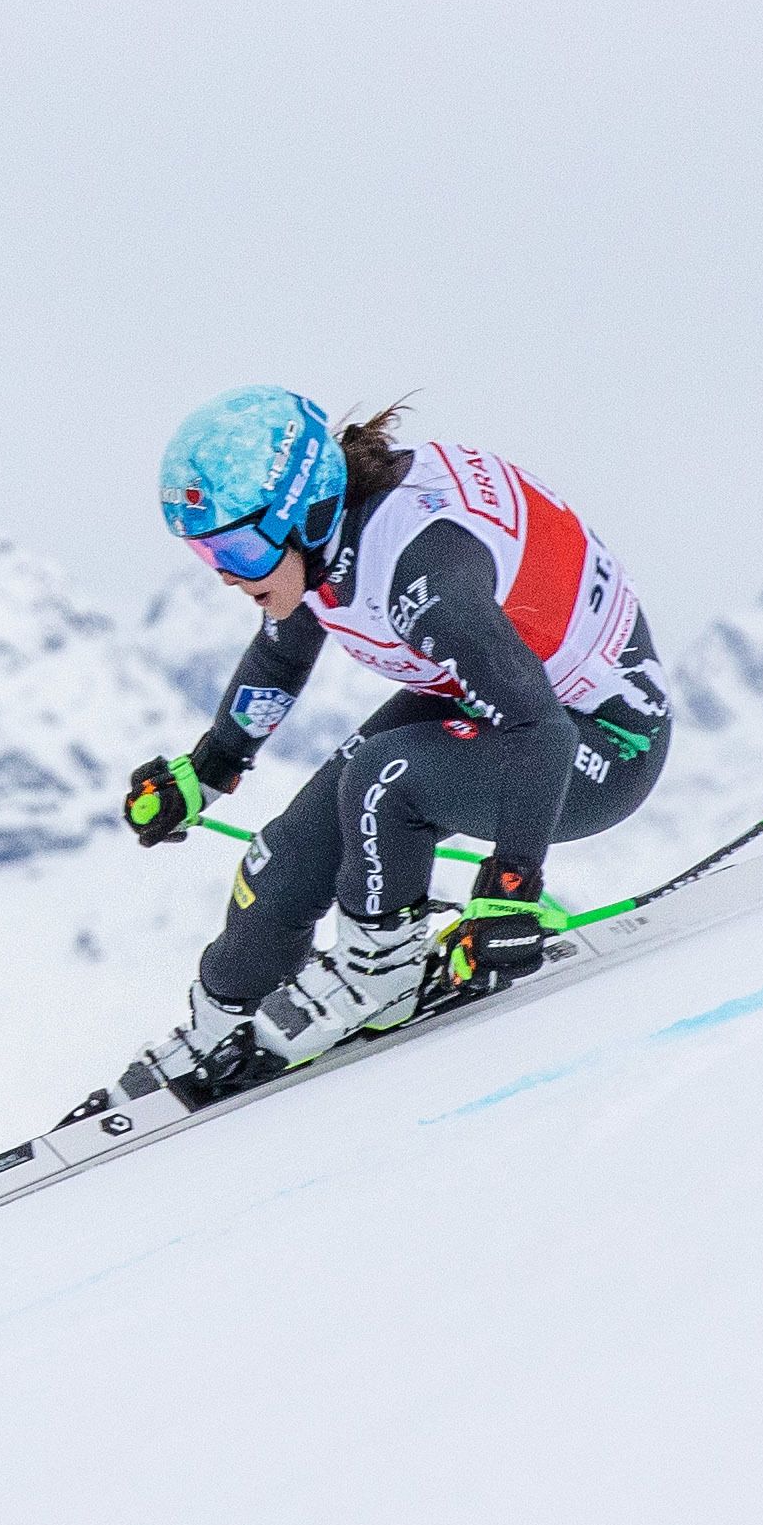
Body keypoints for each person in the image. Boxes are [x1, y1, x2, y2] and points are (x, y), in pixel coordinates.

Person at [123, 386, 675, 1092]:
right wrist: (210, 767)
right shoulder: (317, 544)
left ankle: (381, 975)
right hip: (498, 698)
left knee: (387, 779)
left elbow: (540, 728)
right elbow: (284, 654)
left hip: (597, 743)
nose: (226, 572)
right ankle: (221, 1021)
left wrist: (509, 896)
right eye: (207, 552)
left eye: (233, 545)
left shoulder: (423, 572)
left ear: (299, 511)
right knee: (282, 861)